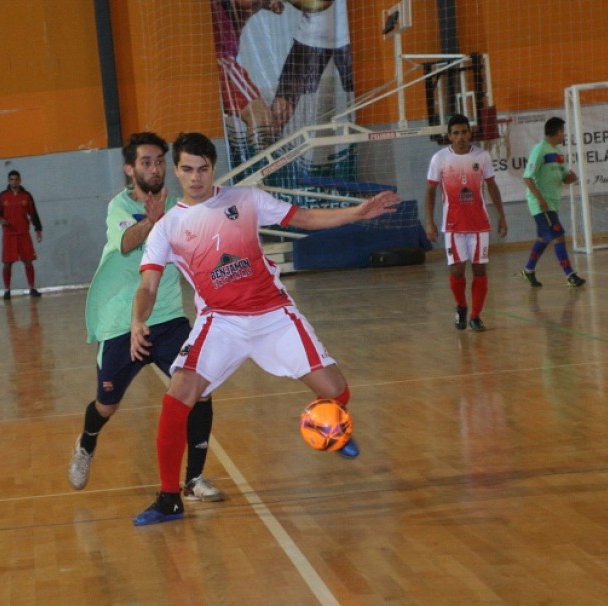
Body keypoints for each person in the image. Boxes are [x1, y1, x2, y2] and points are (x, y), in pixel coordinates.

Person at [128, 132, 401, 526]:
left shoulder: (246, 200)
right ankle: (170, 498)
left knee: (337, 392)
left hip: (273, 315)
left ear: (213, 168)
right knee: (178, 395)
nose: (195, 177)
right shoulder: (167, 227)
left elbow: (304, 218)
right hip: (221, 321)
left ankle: (330, 425)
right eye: (187, 169)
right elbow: (147, 286)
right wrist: (138, 319)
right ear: (176, 170)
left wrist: (356, 213)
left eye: (203, 169)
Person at [67, 132, 223, 503]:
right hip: (121, 322)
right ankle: (87, 442)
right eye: (145, 162)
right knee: (106, 405)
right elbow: (126, 243)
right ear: (129, 169)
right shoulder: (119, 206)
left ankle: (193, 480)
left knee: (200, 391)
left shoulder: (180, 207)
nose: (154, 169)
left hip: (167, 317)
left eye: (158, 162)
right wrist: (152, 222)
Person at [425, 114, 507, 332]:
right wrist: (430, 222)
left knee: (479, 269)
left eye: (464, 132)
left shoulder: (482, 156)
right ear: (449, 136)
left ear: (470, 133)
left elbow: (492, 186)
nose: (460, 137)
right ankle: (461, 306)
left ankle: (476, 316)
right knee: (457, 270)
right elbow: (430, 191)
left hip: (479, 224)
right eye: (456, 133)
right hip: (453, 225)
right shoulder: (439, 158)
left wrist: (502, 216)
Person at [211, 0, 285, 161]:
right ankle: (260, 172)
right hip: (219, 62)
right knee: (261, 119)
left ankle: (261, 169)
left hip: (226, 60)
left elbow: (277, 7)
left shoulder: (235, 11)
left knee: (267, 123)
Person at [520, 117, 585, 288]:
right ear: (556, 131)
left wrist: (571, 178)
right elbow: (527, 178)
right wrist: (540, 200)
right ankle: (570, 275)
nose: (564, 134)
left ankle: (528, 270)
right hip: (541, 203)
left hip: (552, 203)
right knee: (558, 234)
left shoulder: (558, 153)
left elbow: (564, 178)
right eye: (562, 131)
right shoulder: (539, 150)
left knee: (544, 237)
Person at [271, 0, 352, 130]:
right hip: (309, 37)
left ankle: (362, 139)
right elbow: (277, 6)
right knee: (282, 107)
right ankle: (269, 141)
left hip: (351, 38)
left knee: (364, 96)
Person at [0, 170, 43, 300]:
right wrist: (0, 220)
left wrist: (38, 229)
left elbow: (33, 214)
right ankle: (7, 290)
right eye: (11, 179)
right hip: (9, 235)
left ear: (20, 180)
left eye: (16, 179)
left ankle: (32, 288)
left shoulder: (26, 196)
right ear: (8, 181)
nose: (14, 182)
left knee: (28, 261)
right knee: (7, 263)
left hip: (23, 234)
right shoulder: (3, 196)